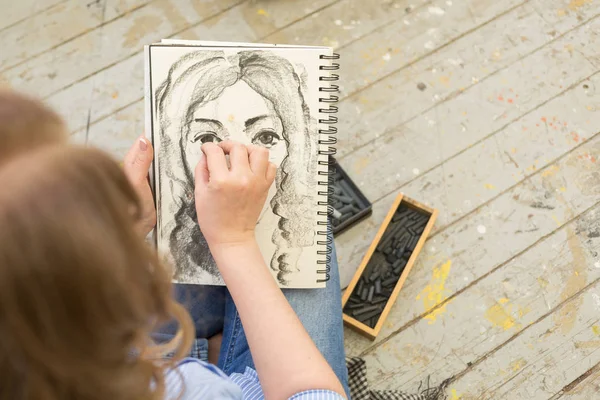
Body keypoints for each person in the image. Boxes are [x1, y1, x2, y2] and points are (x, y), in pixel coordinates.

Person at [155, 50, 319, 286]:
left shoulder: (298, 252)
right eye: (207, 139)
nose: (238, 170)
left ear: (295, 150)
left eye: (265, 136)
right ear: (176, 153)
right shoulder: (166, 247)